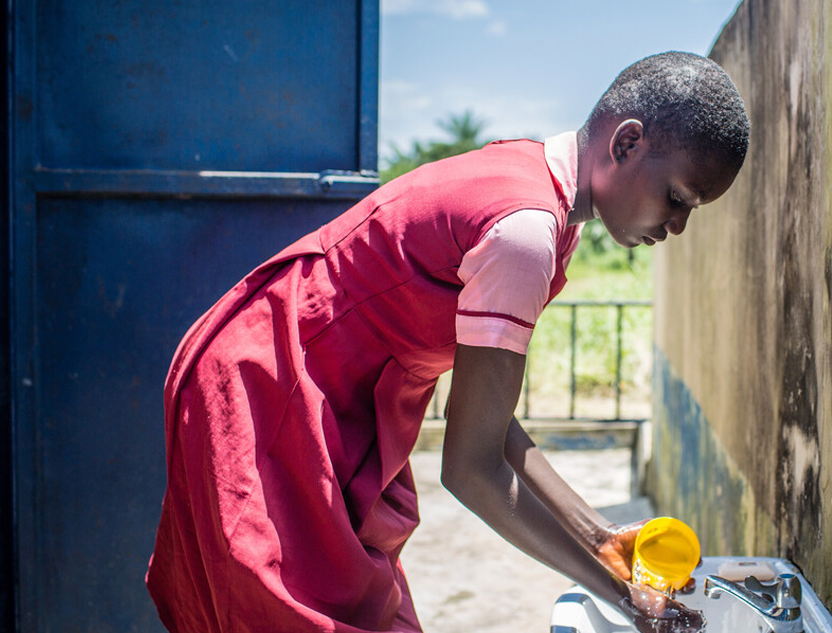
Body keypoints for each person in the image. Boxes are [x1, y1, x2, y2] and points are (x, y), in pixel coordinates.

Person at [146, 50, 750, 633]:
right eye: (677, 199)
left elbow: (485, 421)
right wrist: (623, 595)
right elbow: (471, 467)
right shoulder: (525, 233)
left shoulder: (540, 194)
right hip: (272, 392)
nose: (677, 227)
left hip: (322, 398)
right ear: (626, 142)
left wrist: (600, 538)